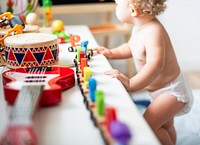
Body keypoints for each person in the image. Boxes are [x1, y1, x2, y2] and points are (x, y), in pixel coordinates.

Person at [94, 0, 194, 145]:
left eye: (118, 4)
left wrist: (131, 83)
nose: (116, 6)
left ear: (133, 10)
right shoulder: (139, 27)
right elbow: (130, 47)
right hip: (159, 90)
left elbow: (155, 64)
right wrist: (111, 52)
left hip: (171, 91)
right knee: (165, 125)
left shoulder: (154, 32)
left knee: (148, 126)